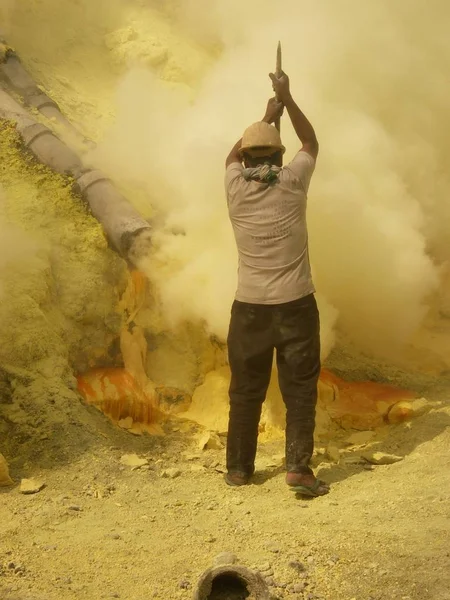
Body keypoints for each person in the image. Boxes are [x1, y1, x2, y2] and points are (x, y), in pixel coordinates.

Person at [223, 71, 329, 497]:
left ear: (247, 160)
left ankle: (239, 470)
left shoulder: (233, 187)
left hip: (248, 309)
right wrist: (289, 98)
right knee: (299, 390)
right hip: (296, 307)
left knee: (245, 391)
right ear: (280, 157)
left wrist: (266, 115)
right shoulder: (293, 182)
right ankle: (298, 470)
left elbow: (231, 155)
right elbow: (311, 143)